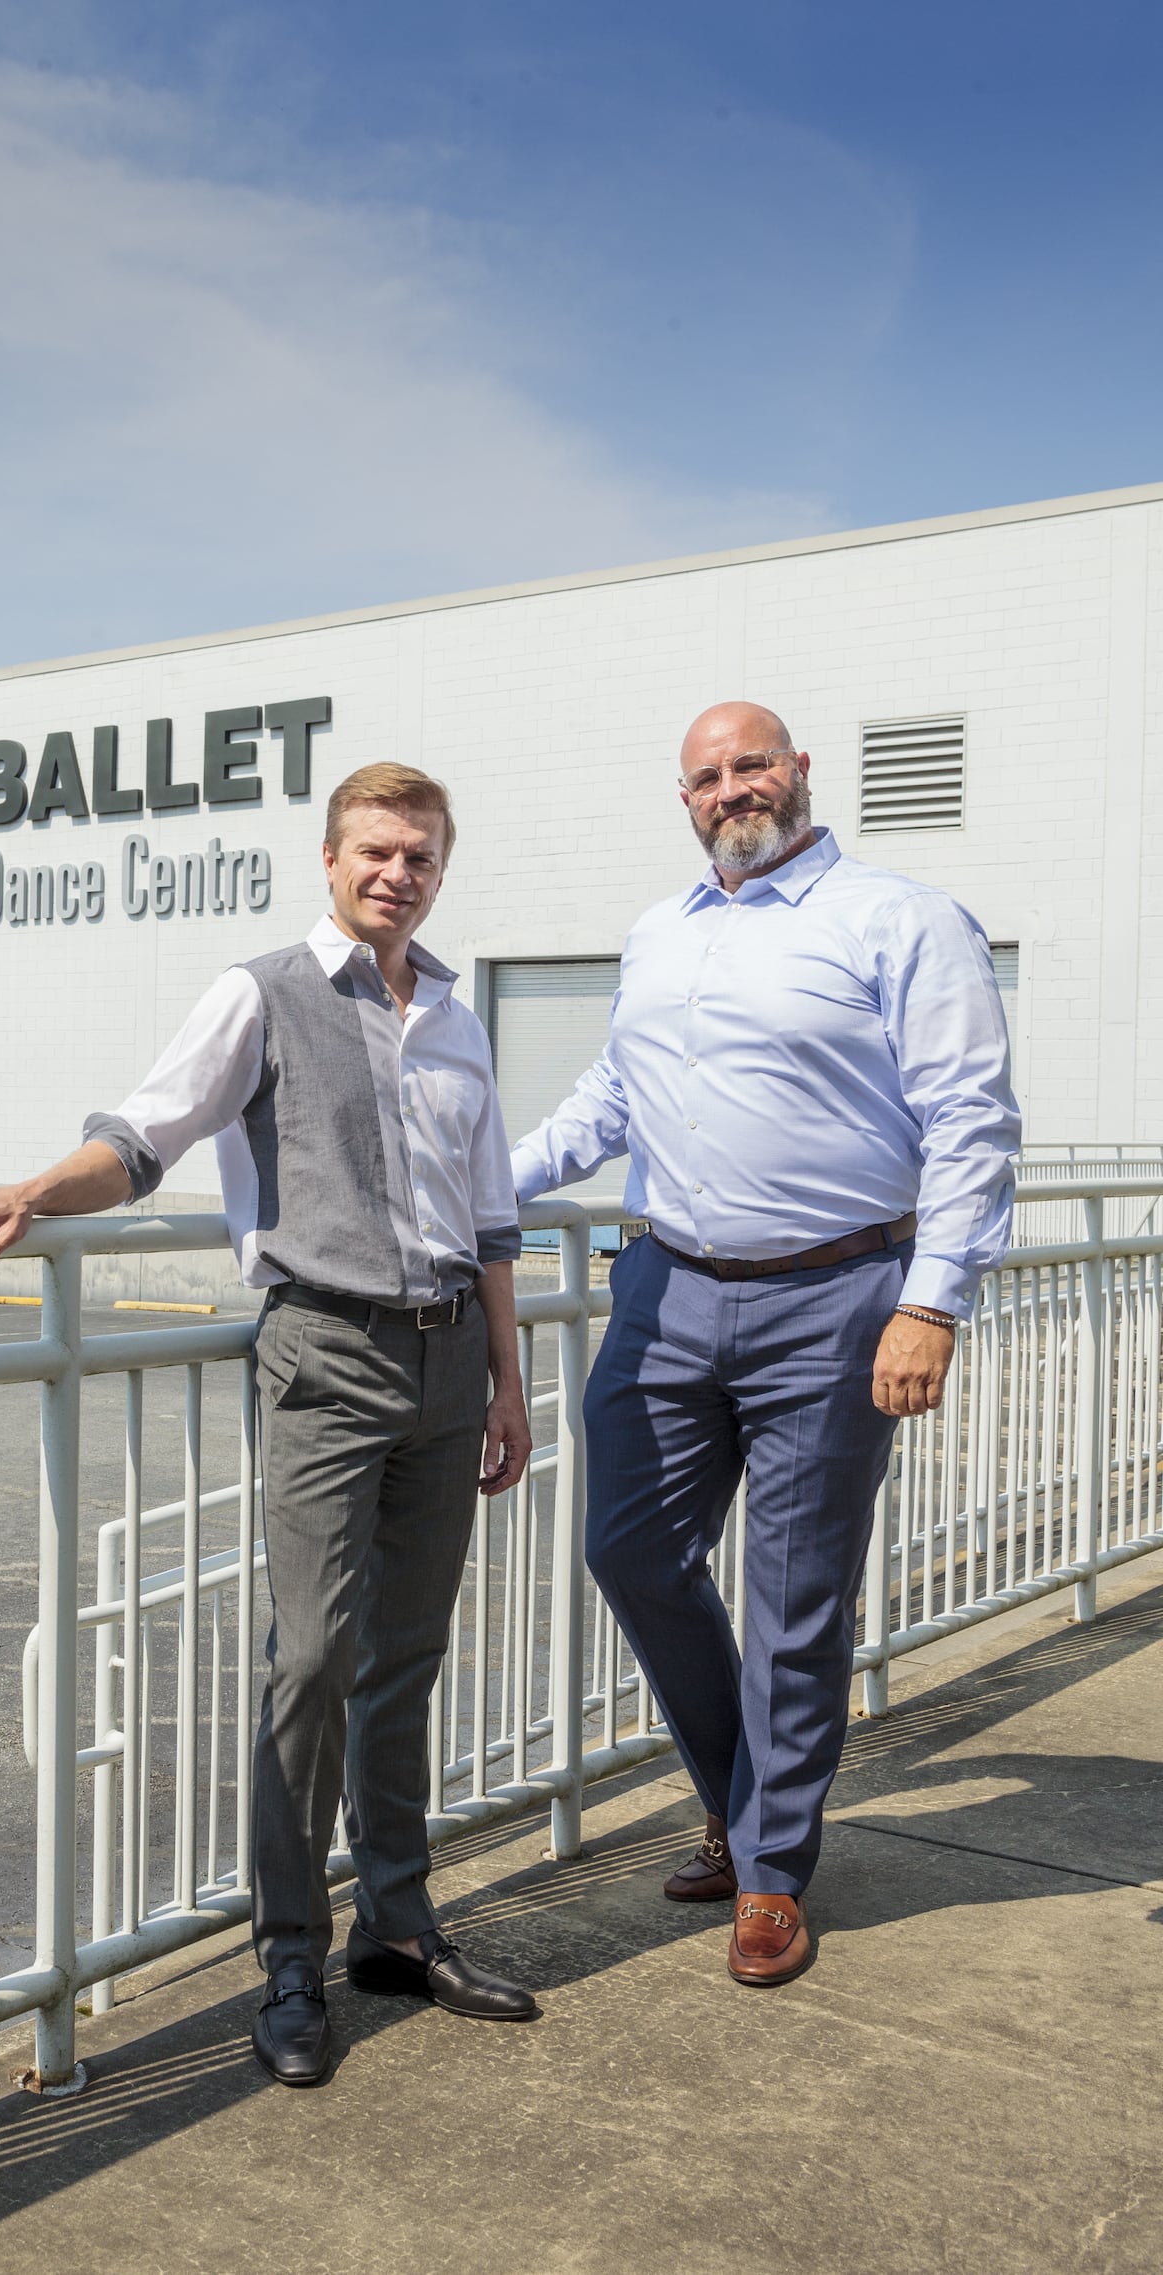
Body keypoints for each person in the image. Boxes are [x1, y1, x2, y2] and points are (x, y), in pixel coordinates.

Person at [0, 761, 537, 2084]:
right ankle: (291, 1953)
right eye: (375, 851)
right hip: (324, 1348)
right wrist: (39, 1187)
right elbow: (142, 1136)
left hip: (448, 1360)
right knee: (310, 1657)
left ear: (440, 867)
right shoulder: (261, 992)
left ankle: (399, 1925)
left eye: (420, 856)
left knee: (407, 1655)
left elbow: (490, 1217)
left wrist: (509, 1378)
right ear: (329, 857)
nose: (397, 874)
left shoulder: (460, 1016)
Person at [512, 702, 1018, 1986]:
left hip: (837, 1296)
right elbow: (610, 1101)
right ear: (683, 799)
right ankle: (748, 1805)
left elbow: (970, 1119)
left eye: (751, 765)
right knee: (629, 1548)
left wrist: (933, 1298)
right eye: (706, 776)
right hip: (665, 1289)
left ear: (799, 773)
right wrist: (467, 1187)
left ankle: (770, 1869)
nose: (732, 789)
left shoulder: (901, 919)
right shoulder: (659, 931)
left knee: (795, 1599)